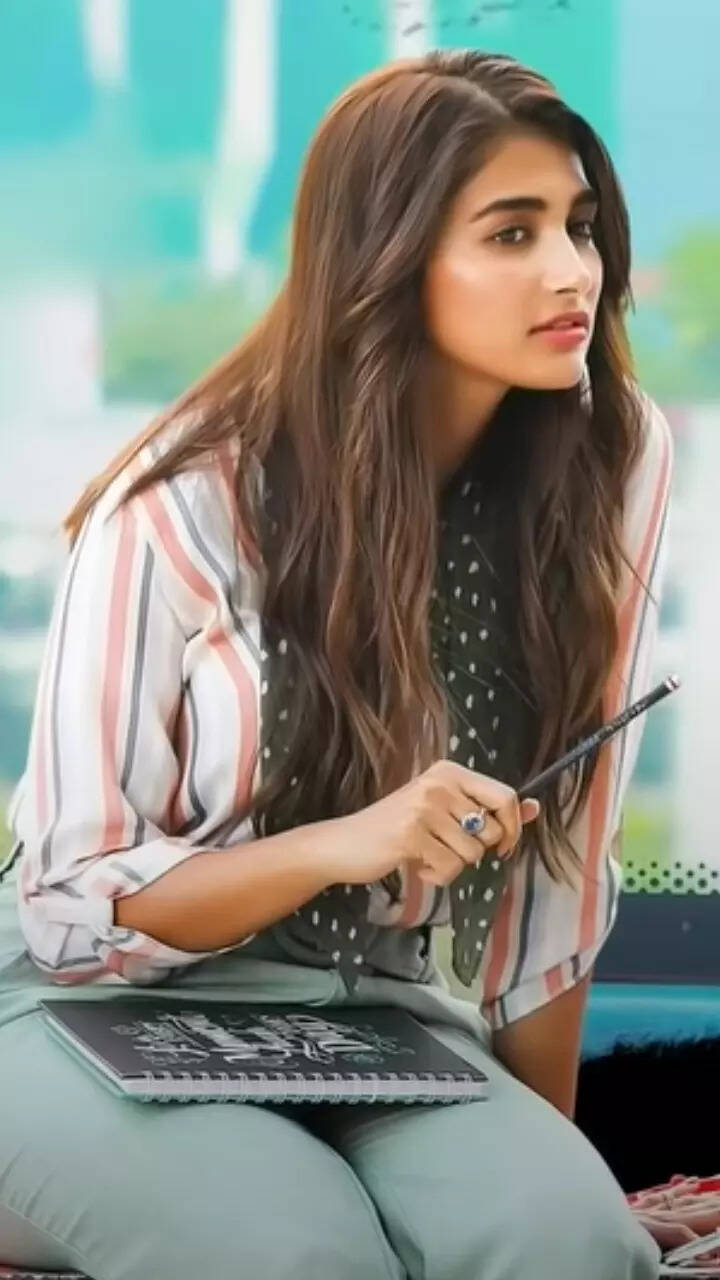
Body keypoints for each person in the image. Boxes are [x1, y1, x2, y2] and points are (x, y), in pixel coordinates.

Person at [0, 48, 672, 1280]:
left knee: (568, 1241)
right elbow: (71, 904)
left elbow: (558, 875)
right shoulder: (184, 501)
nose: (572, 271)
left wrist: (550, 1167)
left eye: (580, 226)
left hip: (372, 1007)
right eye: (511, 233)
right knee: (298, 1250)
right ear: (388, 256)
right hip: (82, 1005)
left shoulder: (613, 459)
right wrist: (342, 842)